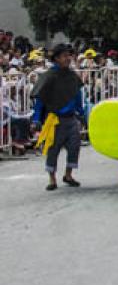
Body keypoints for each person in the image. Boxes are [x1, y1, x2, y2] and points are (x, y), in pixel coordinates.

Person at [31, 43, 85, 191]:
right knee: (53, 150)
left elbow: (77, 95)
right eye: (64, 56)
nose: (68, 58)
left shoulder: (72, 76)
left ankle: (68, 175)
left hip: (71, 119)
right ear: (56, 58)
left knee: (74, 147)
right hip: (55, 119)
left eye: (69, 55)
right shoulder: (48, 76)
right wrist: (36, 119)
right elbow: (40, 100)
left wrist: (81, 113)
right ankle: (52, 179)